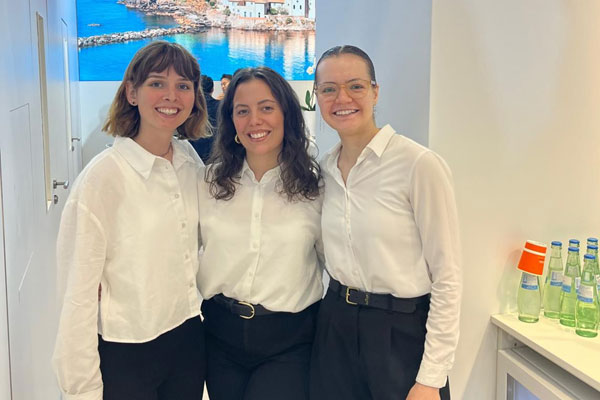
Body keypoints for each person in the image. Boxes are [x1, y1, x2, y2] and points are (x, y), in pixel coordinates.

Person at [52, 41, 208, 400]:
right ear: (132, 93)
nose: (171, 96)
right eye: (157, 83)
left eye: (183, 85)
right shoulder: (102, 178)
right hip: (127, 350)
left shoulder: (188, 162)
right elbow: (77, 295)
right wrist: (81, 389)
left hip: (187, 337)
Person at [309, 45, 462, 400]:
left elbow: (448, 276)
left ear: (375, 92)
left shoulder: (418, 165)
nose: (342, 98)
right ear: (317, 96)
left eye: (355, 86)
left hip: (401, 332)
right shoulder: (324, 171)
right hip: (335, 326)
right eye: (329, 89)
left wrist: (431, 377)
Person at [197, 66, 323, 400]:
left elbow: (340, 259)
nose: (255, 120)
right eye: (242, 111)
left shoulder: (315, 188)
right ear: (231, 121)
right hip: (219, 336)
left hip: (289, 341)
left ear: (286, 114)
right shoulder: (207, 182)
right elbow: (174, 244)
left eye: (266, 107)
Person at [191, 75, 221, 162]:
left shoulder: (190, 107)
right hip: (216, 153)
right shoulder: (221, 106)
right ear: (212, 90)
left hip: (193, 152)